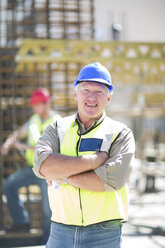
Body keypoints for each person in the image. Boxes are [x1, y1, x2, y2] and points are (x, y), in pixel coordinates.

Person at [33, 62, 135, 248]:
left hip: (104, 232)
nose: (91, 97)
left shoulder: (120, 133)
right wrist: (93, 161)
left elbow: (111, 180)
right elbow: (42, 166)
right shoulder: (57, 128)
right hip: (60, 230)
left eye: (99, 92)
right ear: (75, 94)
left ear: (109, 97)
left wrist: (62, 177)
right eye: (86, 90)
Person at [1, 88, 61, 243]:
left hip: (49, 171)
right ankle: (21, 222)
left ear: (46, 104)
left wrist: (24, 147)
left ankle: (49, 240)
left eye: (36, 105)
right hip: (33, 168)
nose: (33, 108)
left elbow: (54, 150)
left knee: (48, 208)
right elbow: (19, 132)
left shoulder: (57, 122)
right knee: (8, 185)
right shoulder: (34, 119)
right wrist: (8, 144)